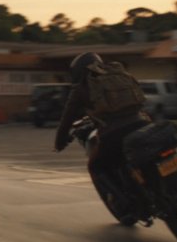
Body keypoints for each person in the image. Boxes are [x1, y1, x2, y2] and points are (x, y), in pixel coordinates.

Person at [53, 52, 151, 221]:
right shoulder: (119, 73)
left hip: (114, 132)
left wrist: (59, 142)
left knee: (95, 166)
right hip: (142, 123)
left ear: (78, 71)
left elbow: (67, 118)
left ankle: (125, 202)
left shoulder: (82, 87)